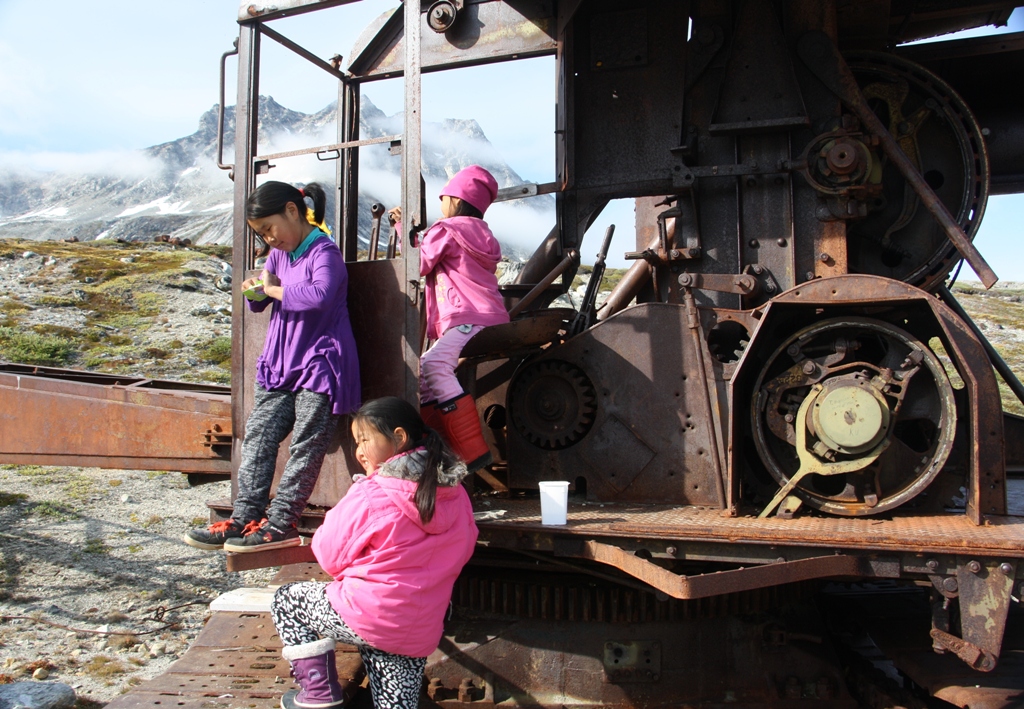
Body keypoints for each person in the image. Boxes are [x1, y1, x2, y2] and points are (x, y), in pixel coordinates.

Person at [184, 181, 360, 553]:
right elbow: (266, 298)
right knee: (259, 436)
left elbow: (320, 295)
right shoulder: (280, 254)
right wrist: (257, 292)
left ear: (292, 212)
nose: (268, 240)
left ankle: (281, 523)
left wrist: (273, 290)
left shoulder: (324, 251)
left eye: (268, 229)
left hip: (320, 362)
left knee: (305, 446)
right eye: (260, 234)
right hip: (281, 362)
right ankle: (243, 517)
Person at [270, 396, 477, 709]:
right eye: (356, 441)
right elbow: (464, 548)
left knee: (287, 601)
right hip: (418, 626)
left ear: (399, 437)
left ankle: (318, 695)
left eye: (364, 439)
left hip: (367, 613)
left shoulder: (373, 491)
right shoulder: (454, 491)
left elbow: (328, 554)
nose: (359, 450)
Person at [390, 165, 509, 472]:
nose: (441, 202)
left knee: (432, 365)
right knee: (425, 376)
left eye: (444, 197)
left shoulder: (447, 230)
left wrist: (403, 228)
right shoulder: (484, 234)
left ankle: (471, 451)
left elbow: (418, 264)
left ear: (456, 200)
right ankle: (439, 449)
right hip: (490, 316)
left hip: (468, 318)